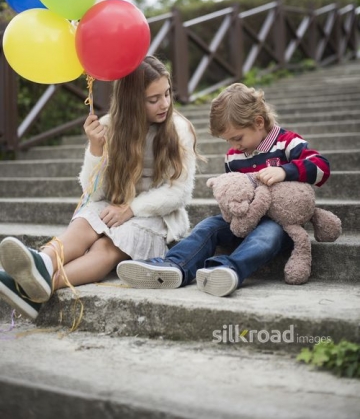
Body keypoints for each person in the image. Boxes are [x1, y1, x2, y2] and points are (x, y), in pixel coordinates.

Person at [0, 56, 199, 322]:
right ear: (132, 102)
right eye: (153, 99)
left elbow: (179, 192)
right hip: (115, 204)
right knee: (85, 220)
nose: (164, 104)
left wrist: (131, 210)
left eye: (167, 94)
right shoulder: (109, 127)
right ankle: (44, 262)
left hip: (157, 218)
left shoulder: (179, 129)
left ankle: (32, 288)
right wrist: (95, 149)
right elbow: (93, 194)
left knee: (106, 246)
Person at [117, 82, 331, 297]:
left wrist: (285, 171)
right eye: (227, 140)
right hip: (243, 219)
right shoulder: (233, 156)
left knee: (266, 235)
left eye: (237, 138)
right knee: (208, 226)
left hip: (280, 223)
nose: (234, 146)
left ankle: (228, 269)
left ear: (258, 122)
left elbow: (321, 166)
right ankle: (175, 265)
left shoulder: (287, 143)